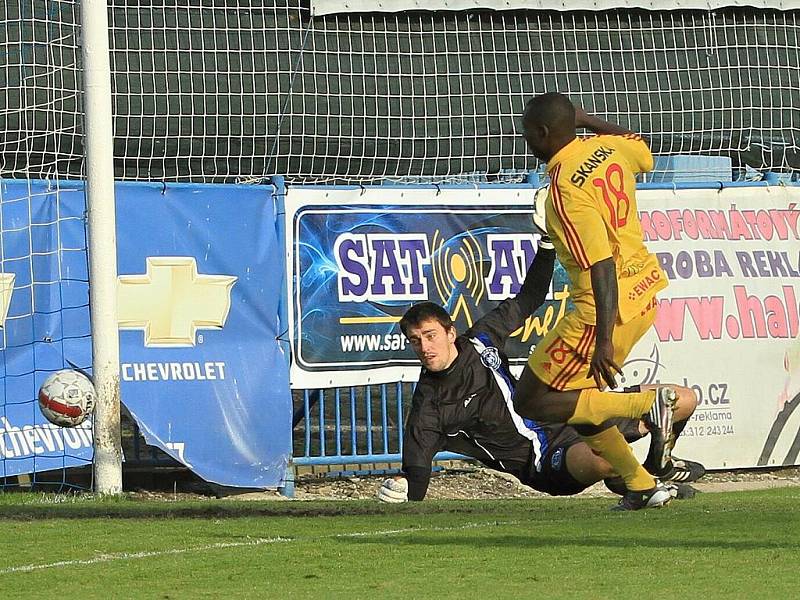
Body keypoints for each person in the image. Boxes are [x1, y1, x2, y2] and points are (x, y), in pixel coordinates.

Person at [377, 227, 704, 506]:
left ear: (450, 332)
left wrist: (547, 246)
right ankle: (643, 481)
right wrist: (404, 490)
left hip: (568, 415)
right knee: (604, 459)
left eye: (430, 335)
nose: (425, 346)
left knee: (683, 398)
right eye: (416, 340)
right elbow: (417, 472)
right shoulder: (429, 404)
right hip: (544, 462)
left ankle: (650, 474)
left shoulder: (481, 339)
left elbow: (528, 299)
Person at [513, 91, 678, 510]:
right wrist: (585, 119)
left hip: (601, 313)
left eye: (529, 132)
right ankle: (640, 483)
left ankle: (646, 404)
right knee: (579, 402)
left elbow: (600, 262)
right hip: (643, 292)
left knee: (531, 398)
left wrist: (602, 339)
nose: (526, 139)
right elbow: (644, 152)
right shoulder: (607, 147)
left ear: (543, 133)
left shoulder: (565, 188)